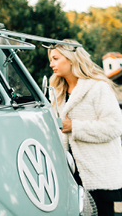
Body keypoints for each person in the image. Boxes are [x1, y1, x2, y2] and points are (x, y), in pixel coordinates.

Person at [49, 40, 122, 216]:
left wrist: (74, 126)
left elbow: (114, 126)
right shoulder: (55, 91)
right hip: (69, 176)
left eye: (56, 59)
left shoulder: (98, 87)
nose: (51, 64)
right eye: (50, 60)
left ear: (71, 59)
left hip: (98, 174)